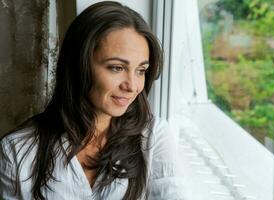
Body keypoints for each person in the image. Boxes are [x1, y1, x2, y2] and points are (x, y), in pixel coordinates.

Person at [0, 1, 184, 200]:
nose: (132, 86)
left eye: (141, 71)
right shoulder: (17, 151)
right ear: (79, 65)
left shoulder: (154, 138)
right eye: (116, 67)